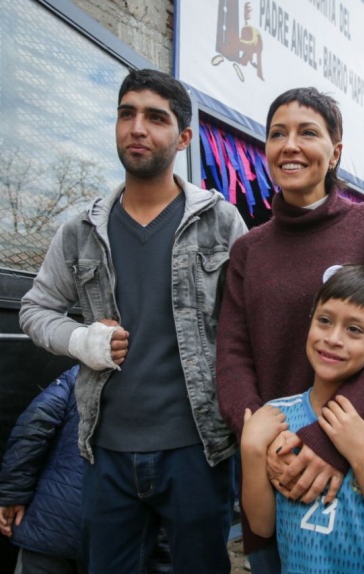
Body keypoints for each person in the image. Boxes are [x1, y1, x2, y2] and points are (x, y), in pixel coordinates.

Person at [20, 69, 247, 573]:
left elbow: (248, 323)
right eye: (127, 114)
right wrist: (80, 339)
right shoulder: (80, 230)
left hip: (197, 448)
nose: (137, 128)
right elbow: (34, 309)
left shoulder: (220, 221)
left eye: (155, 117)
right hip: (106, 450)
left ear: (184, 137)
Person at [216, 87, 364, 571]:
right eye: (277, 134)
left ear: (336, 151)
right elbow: (233, 356)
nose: (290, 145)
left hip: (356, 457)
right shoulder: (249, 250)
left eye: (308, 133)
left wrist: (328, 443)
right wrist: (264, 441)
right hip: (274, 467)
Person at [240, 265, 364, 573]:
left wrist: (361, 456)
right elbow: (261, 526)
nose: (333, 338)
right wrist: (251, 450)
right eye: (324, 321)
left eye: (354, 329)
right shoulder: (276, 417)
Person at [0, 366, 85, 574]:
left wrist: (13, 494)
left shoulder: (79, 373)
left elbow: (32, 428)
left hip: (50, 523)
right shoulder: (169, 384)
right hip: (117, 536)